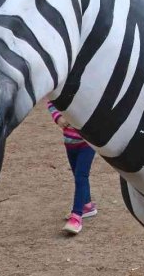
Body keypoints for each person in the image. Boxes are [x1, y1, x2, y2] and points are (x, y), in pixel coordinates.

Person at [48, 101, 97, 235]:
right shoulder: (63, 84)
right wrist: (58, 117)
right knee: (77, 175)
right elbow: (51, 100)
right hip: (69, 141)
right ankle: (87, 205)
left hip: (87, 142)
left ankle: (76, 217)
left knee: (81, 176)